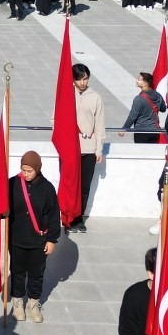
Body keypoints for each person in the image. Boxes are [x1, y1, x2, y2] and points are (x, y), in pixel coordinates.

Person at [6, 151, 60, 323]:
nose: (26, 174)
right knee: (17, 272)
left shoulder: (47, 188)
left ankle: (34, 303)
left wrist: (52, 239)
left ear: (37, 169)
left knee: (37, 273)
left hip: (38, 241)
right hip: (17, 239)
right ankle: (17, 303)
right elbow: (2, 203)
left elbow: (53, 215)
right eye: (23, 170)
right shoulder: (13, 183)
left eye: (29, 171)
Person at [69, 64, 105, 233]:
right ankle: (68, 216)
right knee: (70, 184)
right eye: (79, 79)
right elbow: (55, 120)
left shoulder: (95, 97)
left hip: (89, 149)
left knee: (84, 186)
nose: (82, 82)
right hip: (70, 148)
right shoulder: (66, 94)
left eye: (85, 78)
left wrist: (99, 149)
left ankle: (79, 218)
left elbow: (100, 125)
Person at [121, 72, 165, 144]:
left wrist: (124, 129)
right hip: (155, 131)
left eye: (139, 79)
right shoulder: (158, 95)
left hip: (141, 131)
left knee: (141, 153)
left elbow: (132, 116)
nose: (136, 80)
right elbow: (163, 109)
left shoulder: (139, 99)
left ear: (145, 84)